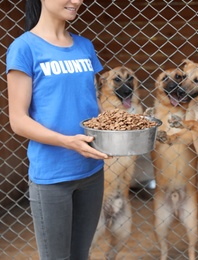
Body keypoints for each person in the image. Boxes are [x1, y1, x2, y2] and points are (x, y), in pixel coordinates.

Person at [6, 0, 109, 259]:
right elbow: (18, 120)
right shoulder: (24, 47)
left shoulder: (85, 46)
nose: (77, 1)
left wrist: (117, 133)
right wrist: (66, 142)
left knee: (80, 255)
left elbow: (92, 106)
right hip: (52, 176)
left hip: (91, 172)